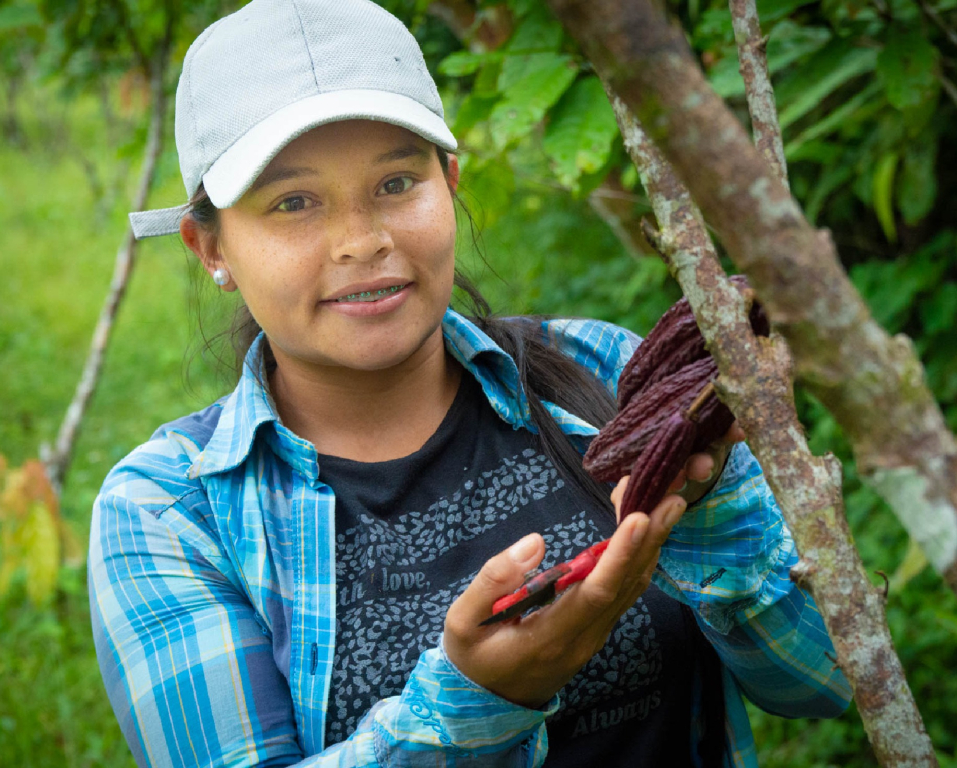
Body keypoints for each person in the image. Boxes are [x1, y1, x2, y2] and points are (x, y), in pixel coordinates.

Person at [88, 1, 852, 766]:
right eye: (293, 202)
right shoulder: (166, 513)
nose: (364, 240)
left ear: (448, 183)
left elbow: (829, 683)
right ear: (209, 247)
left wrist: (712, 516)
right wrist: (479, 702)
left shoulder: (609, 373)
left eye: (395, 181)